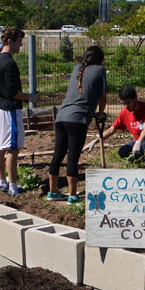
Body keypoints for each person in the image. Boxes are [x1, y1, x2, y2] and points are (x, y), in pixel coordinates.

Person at [47, 46, 107, 204]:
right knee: (73, 156)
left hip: (61, 117)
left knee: (58, 154)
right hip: (77, 119)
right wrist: (100, 114)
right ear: (100, 59)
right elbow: (102, 97)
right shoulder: (100, 70)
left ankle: (52, 192)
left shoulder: (77, 68)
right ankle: (72, 196)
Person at [0, 27, 37, 195]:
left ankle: (2, 181)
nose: (21, 45)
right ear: (10, 41)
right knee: (12, 148)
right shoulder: (9, 63)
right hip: (10, 109)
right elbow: (13, 92)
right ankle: (13, 186)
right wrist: (30, 97)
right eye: (19, 42)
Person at [102, 86, 145, 166]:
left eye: (128, 102)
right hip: (140, 143)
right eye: (123, 103)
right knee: (123, 151)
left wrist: (138, 142)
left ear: (135, 99)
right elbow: (111, 130)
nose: (126, 106)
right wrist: (96, 140)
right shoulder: (124, 113)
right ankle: (139, 164)